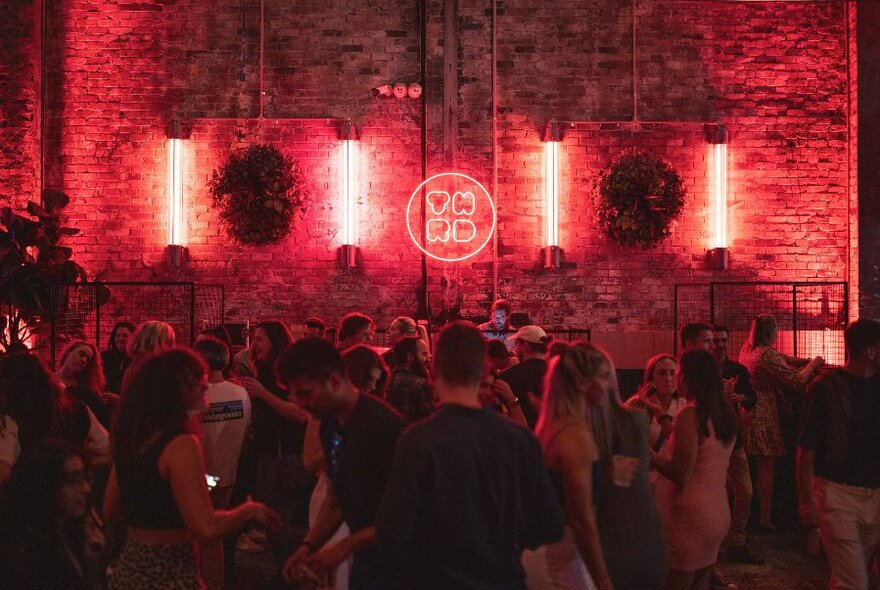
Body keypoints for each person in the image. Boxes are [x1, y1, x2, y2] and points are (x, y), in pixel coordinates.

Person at [375, 321, 564, 589]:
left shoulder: (419, 441)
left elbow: (392, 530)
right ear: (485, 370)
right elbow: (549, 526)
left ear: (435, 369)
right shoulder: (519, 439)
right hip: (503, 580)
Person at [103, 348, 280, 588]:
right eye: (196, 380)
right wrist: (249, 512)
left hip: (131, 566)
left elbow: (111, 508)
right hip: (168, 571)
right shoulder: (181, 443)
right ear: (171, 391)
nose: (204, 385)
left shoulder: (132, 438)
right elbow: (205, 528)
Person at [535, 343, 666, 590]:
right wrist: (603, 580)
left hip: (555, 547)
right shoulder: (576, 435)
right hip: (569, 554)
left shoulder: (554, 424)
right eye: (605, 377)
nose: (609, 385)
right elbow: (581, 519)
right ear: (582, 383)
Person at [279, 337, 406, 589]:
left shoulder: (383, 427)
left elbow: (404, 514)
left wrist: (344, 546)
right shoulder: (330, 424)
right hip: (368, 562)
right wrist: (309, 546)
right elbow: (338, 498)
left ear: (335, 381)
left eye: (304, 393)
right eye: (293, 394)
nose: (298, 403)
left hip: (401, 566)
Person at [797, 319, 880, 590]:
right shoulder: (826, 388)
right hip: (837, 493)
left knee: (852, 575)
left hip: (874, 493)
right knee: (853, 581)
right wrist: (807, 502)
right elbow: (806, 449)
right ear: (870, 350)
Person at [652, 349, 738, 590]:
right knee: (700, 584)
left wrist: (644, 451)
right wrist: (662, 418)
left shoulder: (690, 414)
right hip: (717, 512)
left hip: (689, 517)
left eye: (678, 372)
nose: (676, 378)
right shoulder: (724, 412)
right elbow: (697, 450)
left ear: (688, 377)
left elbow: (681, 471)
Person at [234, 320, 312, 569]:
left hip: (285, 458)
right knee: (272, 520)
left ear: (275, 341)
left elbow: (300, 414)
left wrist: (262, 394)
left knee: (282, 522)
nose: (253, 345)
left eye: (260, 339)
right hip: (268, 455)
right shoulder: (263, 371)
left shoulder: (286, 374)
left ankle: (292, 574)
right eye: (253, 339)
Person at [739, 314, 824, 530]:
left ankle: (746, 516)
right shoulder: (765, 354)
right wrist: (814, 363)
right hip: (763, 412)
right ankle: (765, 519)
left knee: (746, 468)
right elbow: (796, 381)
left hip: (748, 411)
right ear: (771, 332)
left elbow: (783, 358)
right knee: (766, 468)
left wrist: (802, 361)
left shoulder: (748, 350)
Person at [0, 440, 106, 589]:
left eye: (85, 477)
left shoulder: (68, 530)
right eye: (72, 480)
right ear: (45, 486)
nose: (86, 488)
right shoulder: (25, 554)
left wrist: (93, 563)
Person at [193, 336, 252, 589]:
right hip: (227, 475)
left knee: (199, 539)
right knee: (217, 538)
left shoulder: (196, 394)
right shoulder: (241, 393)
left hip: (201, 477)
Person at [0, 353, 109, 485]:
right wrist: (78, 465)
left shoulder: (11, 417)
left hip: (30, 498)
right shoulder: (78, 409)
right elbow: (107, 449)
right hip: (73, 494)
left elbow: (3, 471)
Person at [712, 324, 763, 566]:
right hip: (711, 442)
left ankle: (737, 542)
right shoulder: (702, 372)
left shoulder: (737, 370)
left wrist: (740, 397)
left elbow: (753, 398)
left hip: (735, 440)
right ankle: (716, 544)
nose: (720, 345)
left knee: (746, 492)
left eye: (723, 340)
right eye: (715, 341)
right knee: (716, 494)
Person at [625, 354, 686, 453]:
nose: (668, 378)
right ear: (651, 378)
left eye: (672, 373)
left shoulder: (684, 406)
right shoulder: (636, 404)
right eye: (662, 373)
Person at [499, 325, 550, 428]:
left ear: (525, 345)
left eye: (517, 344)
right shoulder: (556, 373)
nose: (515, 349)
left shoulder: (509, 376)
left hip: (520, 433)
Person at [57, 340, 114, 429]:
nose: (84, 360)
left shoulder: (85, 391)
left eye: (88, 360)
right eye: (81, 354)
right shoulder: (49, 379)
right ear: (68, 352)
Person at [386, 336, 435, 423]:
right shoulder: (421, 384)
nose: (428, 359)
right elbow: (430, 421)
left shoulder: (385, 380)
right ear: (410, 357)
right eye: (424, 354)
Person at [101, 321, 134, 395]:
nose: (120, 338)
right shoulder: (104, 357)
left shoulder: (136, 359)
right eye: (118, 335)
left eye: (125, 336)